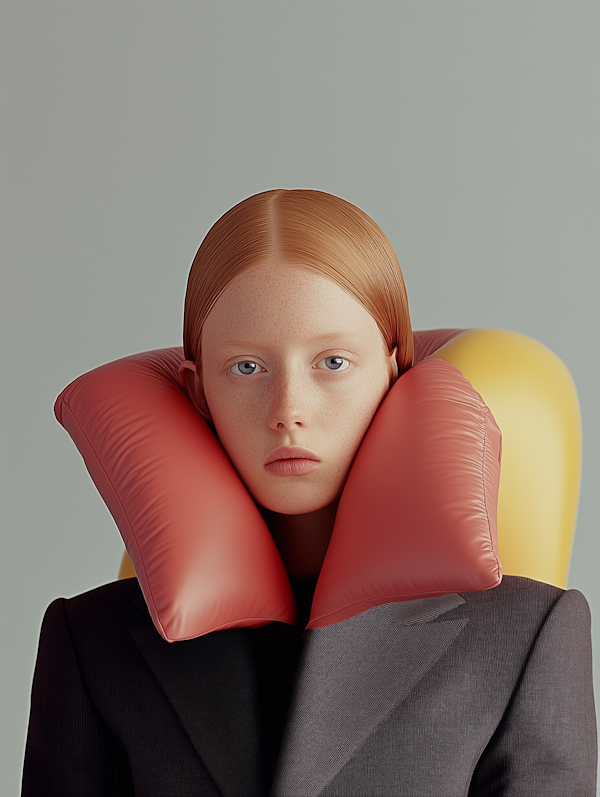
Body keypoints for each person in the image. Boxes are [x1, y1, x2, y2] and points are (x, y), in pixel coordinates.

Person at [22, 190, 597, 796]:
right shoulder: (91, 641)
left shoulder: (528, 635)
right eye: (247, 367)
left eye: (333, 362)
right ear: (196, 392)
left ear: (395, 367)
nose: (288, 410)